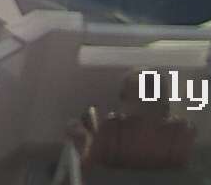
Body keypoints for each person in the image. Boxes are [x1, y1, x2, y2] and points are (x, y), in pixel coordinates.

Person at [64, 72, 195, 171]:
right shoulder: (182, 132)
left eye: (123, 95)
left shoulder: (112, 128)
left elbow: (89, 172)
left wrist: (84, 141)